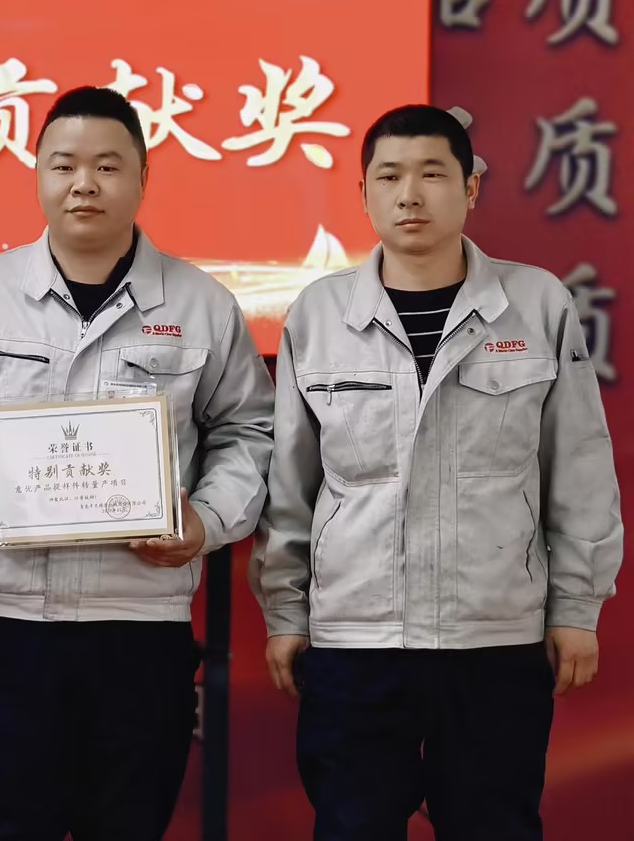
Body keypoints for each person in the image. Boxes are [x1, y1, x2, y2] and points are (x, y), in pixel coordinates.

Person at [0, 86, 274, 839]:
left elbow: (249, 432)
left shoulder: (201, 305)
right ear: (37, 174)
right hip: (9, 621)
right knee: (10, 825)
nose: (84, 184)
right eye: (64, 165)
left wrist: (205, 521)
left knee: (130, 823)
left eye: (108, 166)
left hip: (139, 621)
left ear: (142, 177)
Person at [251, 105, 624, 840]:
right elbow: (290, 483)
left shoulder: (535, 304)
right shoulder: (319, 314)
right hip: (357, 640)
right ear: (363, 192)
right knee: (352, 827)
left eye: (432, 174)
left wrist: (576, 608)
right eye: (389, 177)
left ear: (471, 187)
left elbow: (579, 466)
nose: (410, 195)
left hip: (494, 637)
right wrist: (286, 611)